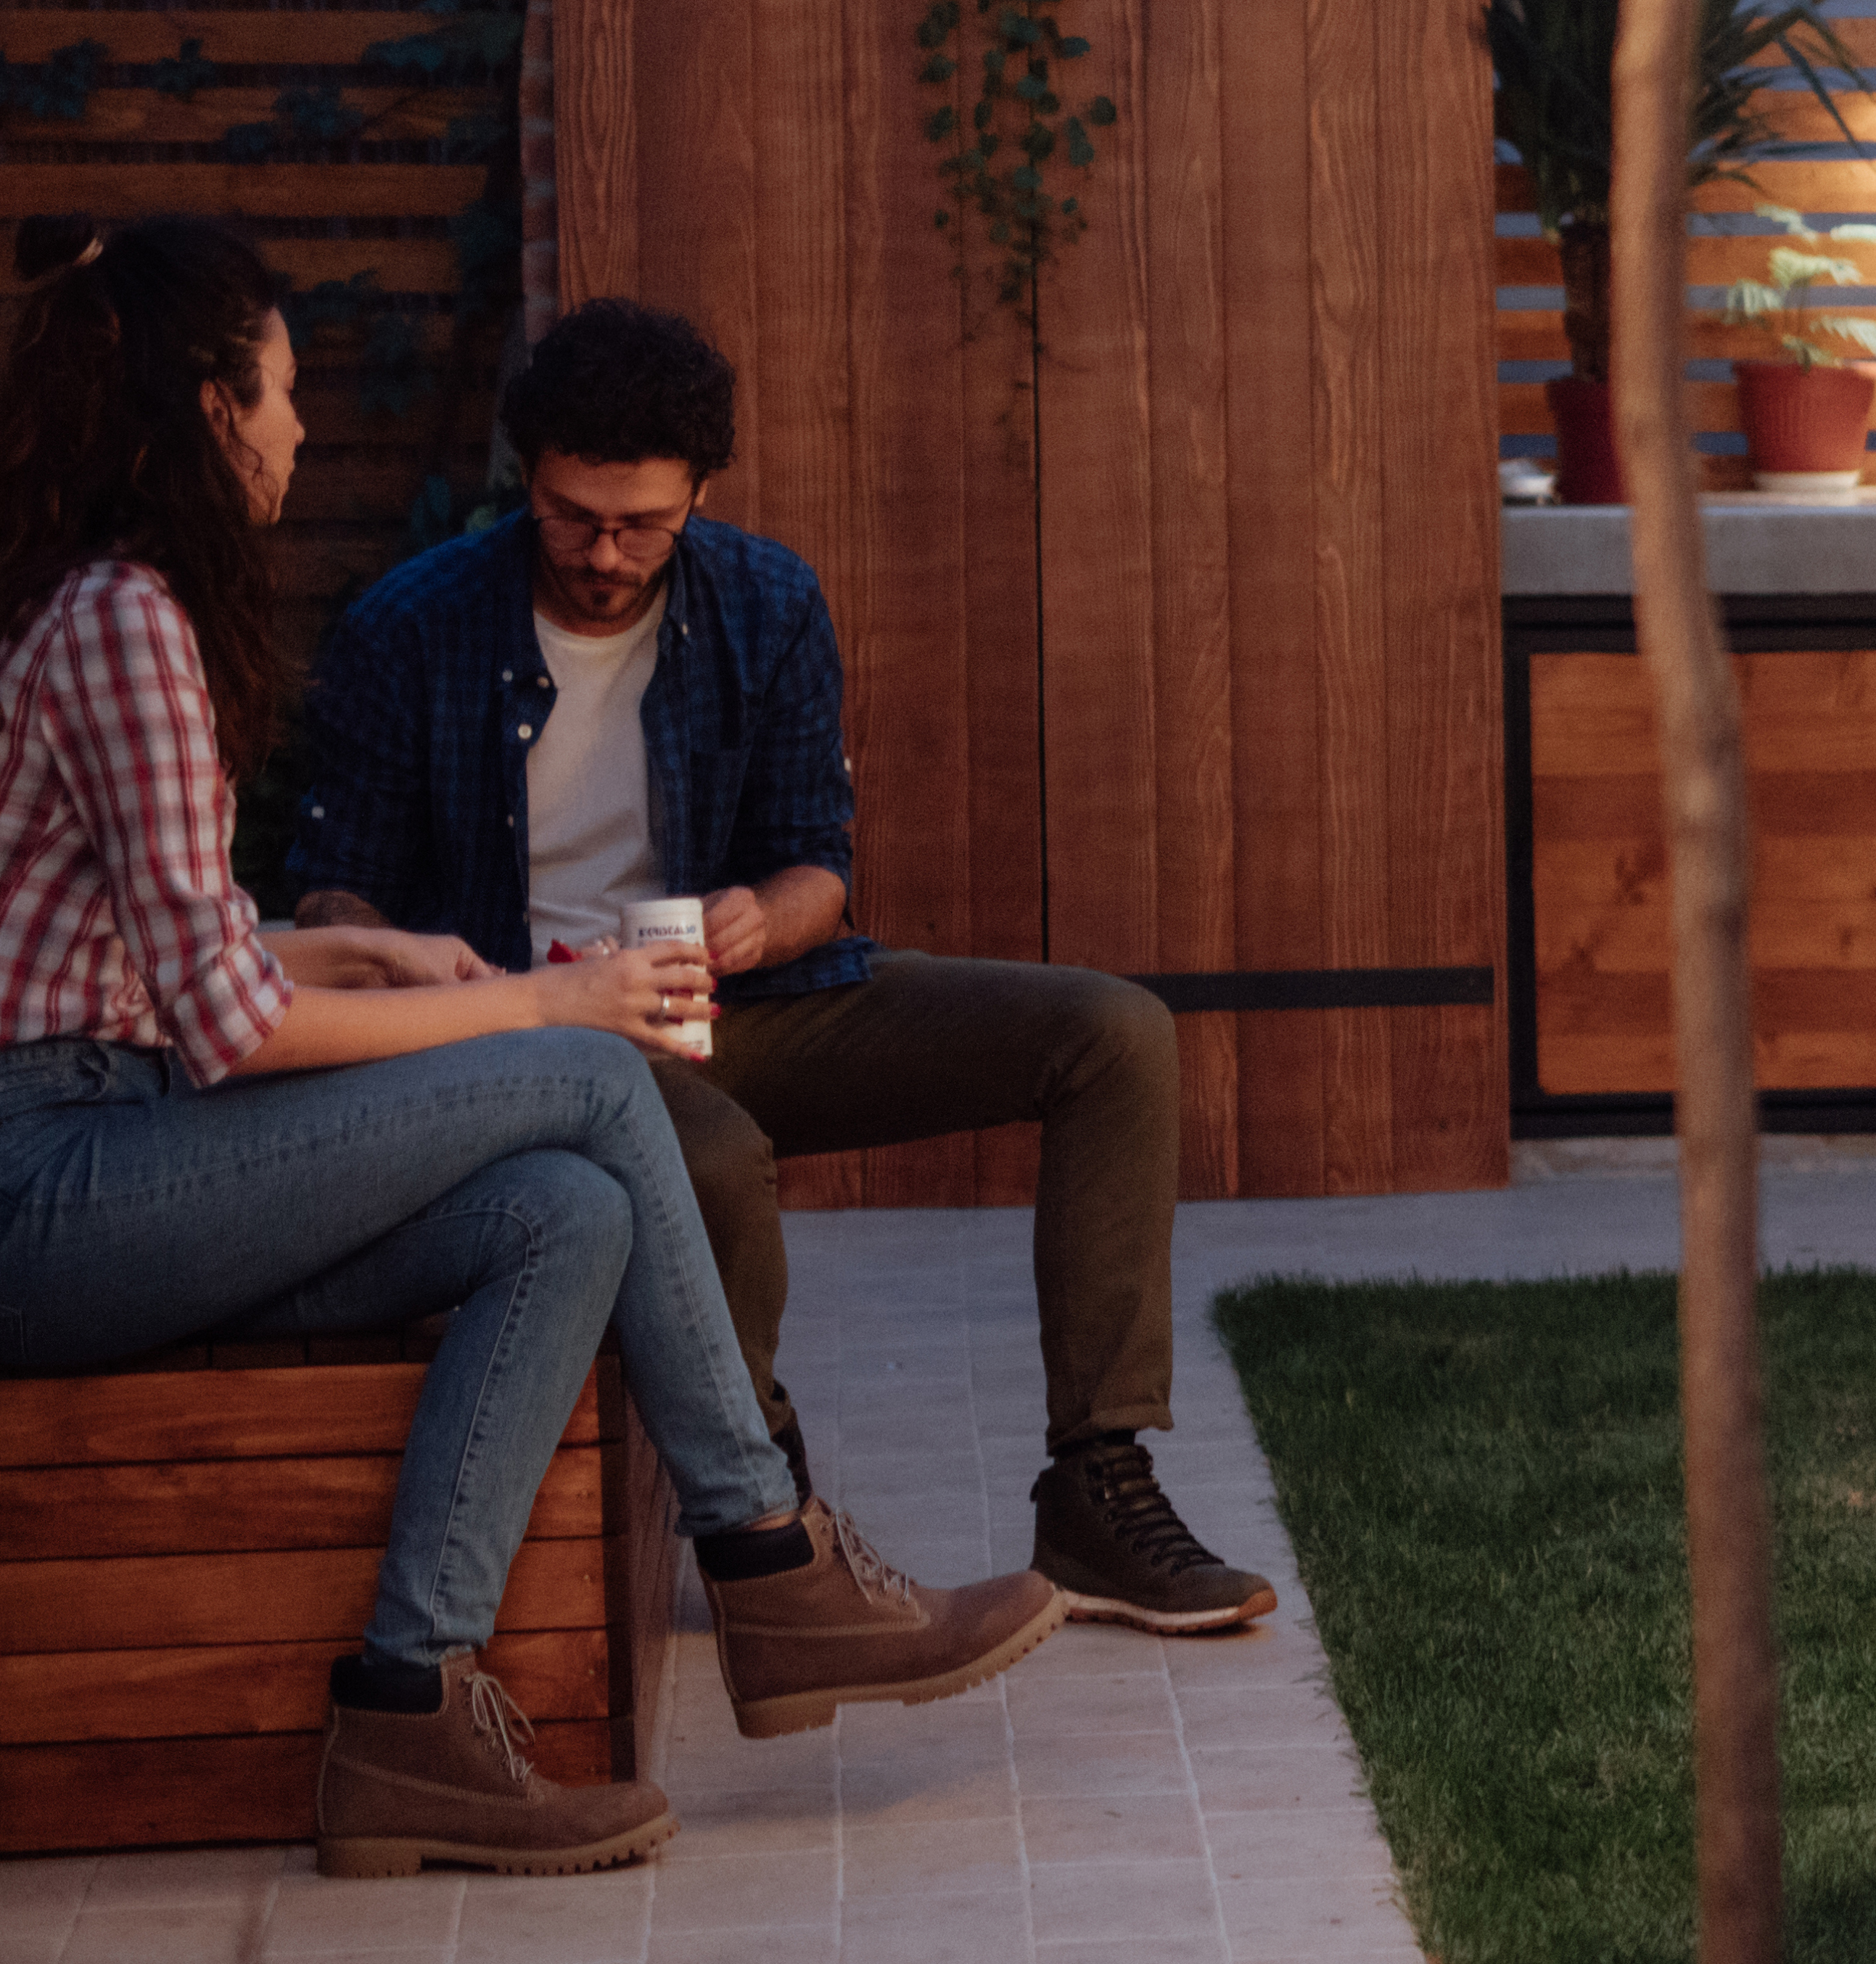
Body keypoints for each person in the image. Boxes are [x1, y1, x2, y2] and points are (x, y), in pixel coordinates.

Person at [0, 223, 1064, 1877]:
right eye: (282, 394)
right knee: (582, 1074)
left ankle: (409, 1712)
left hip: (74, 1142)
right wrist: (533, 999)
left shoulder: (81, 600)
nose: (301, 431)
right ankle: (770, 1554)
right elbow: (226, 1027)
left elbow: (158, 962)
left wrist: (363, 945)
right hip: (25, 1186)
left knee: (560, 1210)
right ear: (210, 409)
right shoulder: (126, 619)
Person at [286, 300, 1270, 1635]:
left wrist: (761, 915)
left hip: (741, 1001)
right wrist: (427, 972)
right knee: (716, 1157)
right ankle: (774, 1519)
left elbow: (821, 867)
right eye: (575, 515)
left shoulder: (764, 599)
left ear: (700, 488)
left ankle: (1099, 1481)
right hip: (535, 1043)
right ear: (529, 479)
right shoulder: (414, 628)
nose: (606, 554)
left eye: (645, 522)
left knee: (1112, 1031)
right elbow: (331, 891)